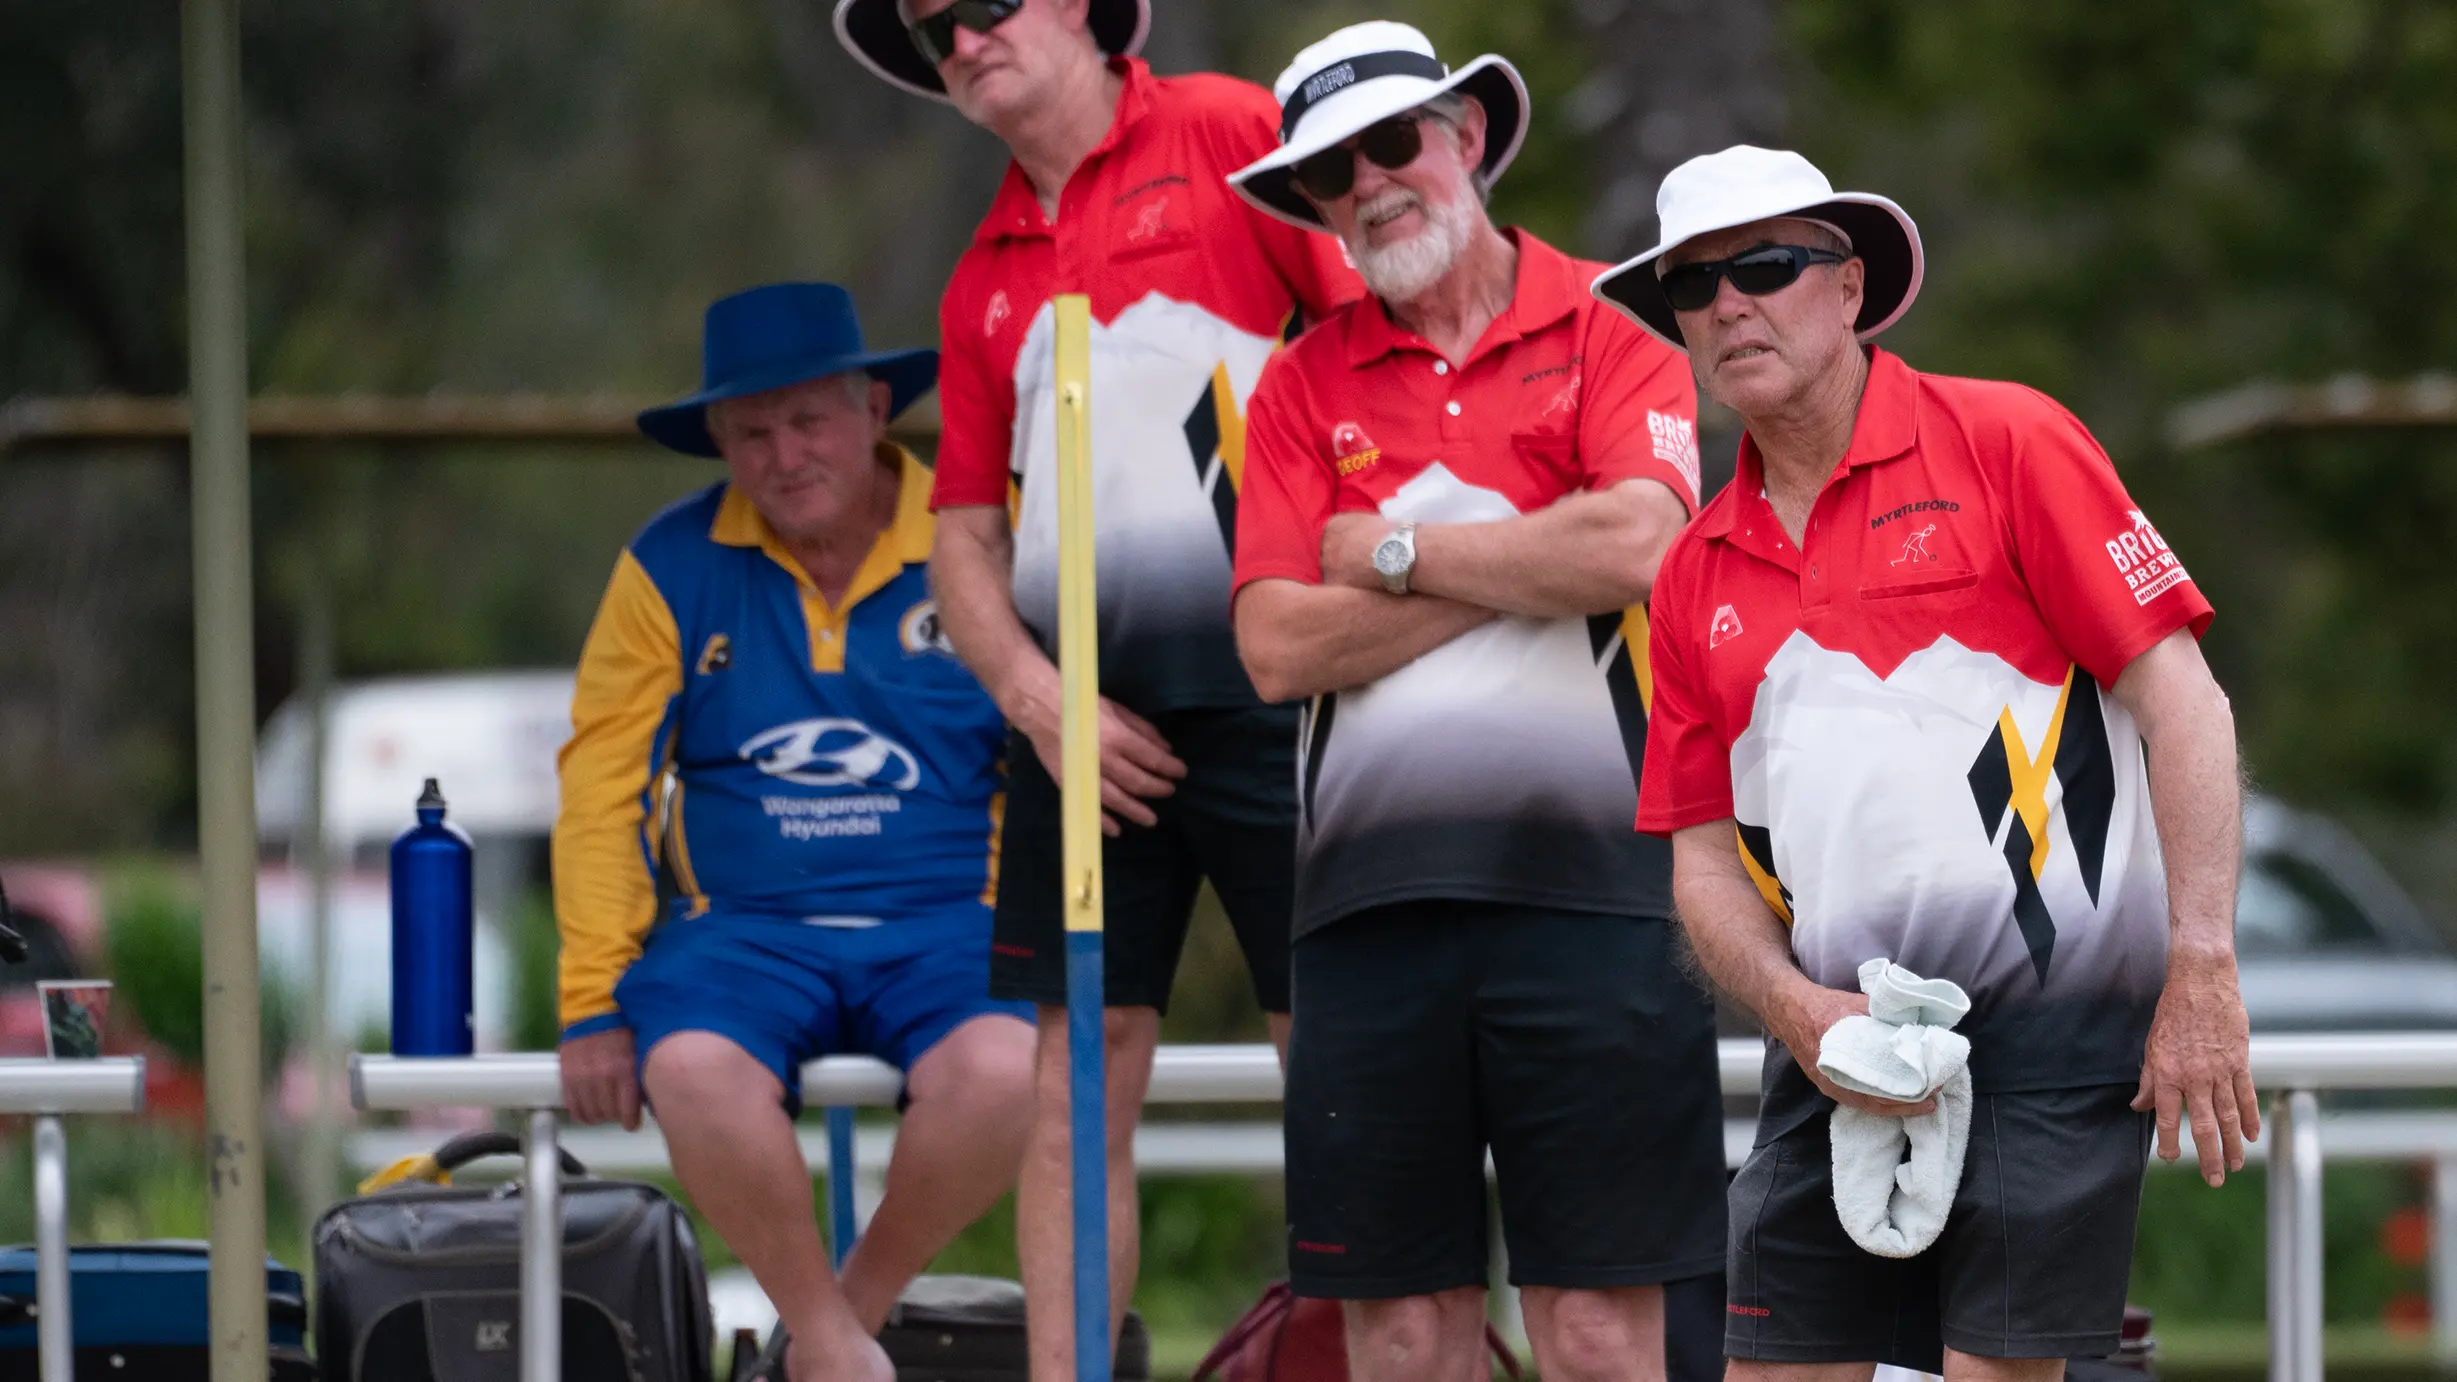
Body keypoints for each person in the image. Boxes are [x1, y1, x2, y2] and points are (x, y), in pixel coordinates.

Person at [1590, 146, 2259, 1380]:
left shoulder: (2010, 440)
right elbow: (1697, 857)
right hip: (1839, 1045)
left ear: (1848, 288)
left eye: (1768, 265)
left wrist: (2203, 962)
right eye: (1695, 286)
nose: (1730, 302)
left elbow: (2187, 703)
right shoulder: (1691, 569)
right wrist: (1797, 1011)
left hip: (2054, 1029)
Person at [831, 1, 1362, 1374]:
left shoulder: (1236, 130)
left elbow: (1375, 346)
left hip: (1281, 678)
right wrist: (1030, 692)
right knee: (1078, 1083)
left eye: (982, 7)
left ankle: (1394, 1352)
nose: (958, 40)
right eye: (929, 29)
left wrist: (1353, 594)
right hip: (1080, 721)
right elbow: (959, 531)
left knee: (1345, 1056)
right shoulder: (979, 270)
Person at [1226, 23, 1728, 1382]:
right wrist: (1530, 557)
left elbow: (1637, 548)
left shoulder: (1611, 333)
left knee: (1595, 1327)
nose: (1373, 183)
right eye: (1334, 171)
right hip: (1365, 917)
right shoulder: (1293, 383)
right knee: (1399, 1330)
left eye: (1394, 142)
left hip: (1599, 899)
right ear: (1315, 205)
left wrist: (1393, 553)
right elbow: (1273, 646)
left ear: (1466, 139)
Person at [553, 282, 1037, 1382]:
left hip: (951, 919)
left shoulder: (985, 538)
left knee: (1013, 1070)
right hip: (742, 929)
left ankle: (832, 1326)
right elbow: (600, 786)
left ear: (874, 409)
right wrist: (590, 996)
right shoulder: (667, 564)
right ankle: (830, 1344)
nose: (784, 455)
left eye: (810, 420)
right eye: (752, 432)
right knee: (690, 1067)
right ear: (718, 440)